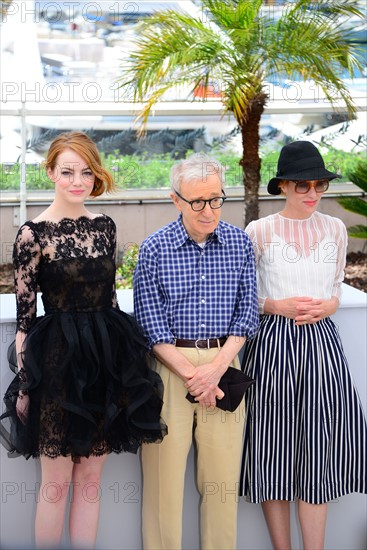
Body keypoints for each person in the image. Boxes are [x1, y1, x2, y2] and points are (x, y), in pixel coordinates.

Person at [2, 131, 167, 549]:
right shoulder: (31, 235)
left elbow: (110, 301)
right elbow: (25, 320)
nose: (78, 181)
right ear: (51, 173)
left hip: (104, 362)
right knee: (55, 484)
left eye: (86, 172)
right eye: (68, 172)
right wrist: (25, 385)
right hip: (56, 366)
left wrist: (123, 369)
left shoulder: (105, 227)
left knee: (90, 477)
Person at [239, 140, 367, 550]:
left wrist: (329, 305)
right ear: (283, 187)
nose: (312, 194)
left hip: (321, 348)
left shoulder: (335, 229)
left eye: (319, 185)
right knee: (272, 451)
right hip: (272, 345)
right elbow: (243, 298)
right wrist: (275, 304)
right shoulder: (258, 231)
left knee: (318, 455)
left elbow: (335, 291)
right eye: (302, 185)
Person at [133, 153, 259, 550]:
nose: (209, 210)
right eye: (198, 201)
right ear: (176, 200)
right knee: (162, 487)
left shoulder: (240, 243)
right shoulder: (154, 249)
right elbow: (150, 326)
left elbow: (247, 314)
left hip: (225, 368)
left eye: (216, 198)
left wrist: (215, 370)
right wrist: (194, 375)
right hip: (171, 368)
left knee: (221, 486)